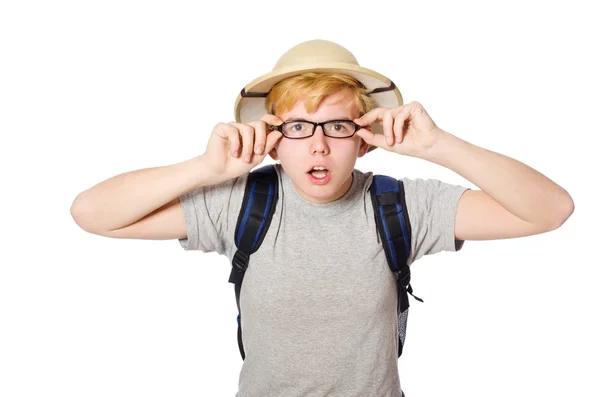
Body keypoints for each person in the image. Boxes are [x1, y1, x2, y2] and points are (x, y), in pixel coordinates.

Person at [70, 39, 574, 397]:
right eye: (298, 126)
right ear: (272, 137)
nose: (317, 144)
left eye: (335, 125)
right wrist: (205, 168)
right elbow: (91, 214)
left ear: (362, 137)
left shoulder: (400, 206)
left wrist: (439, 145)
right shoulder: (240, 203)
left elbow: (551, 210)